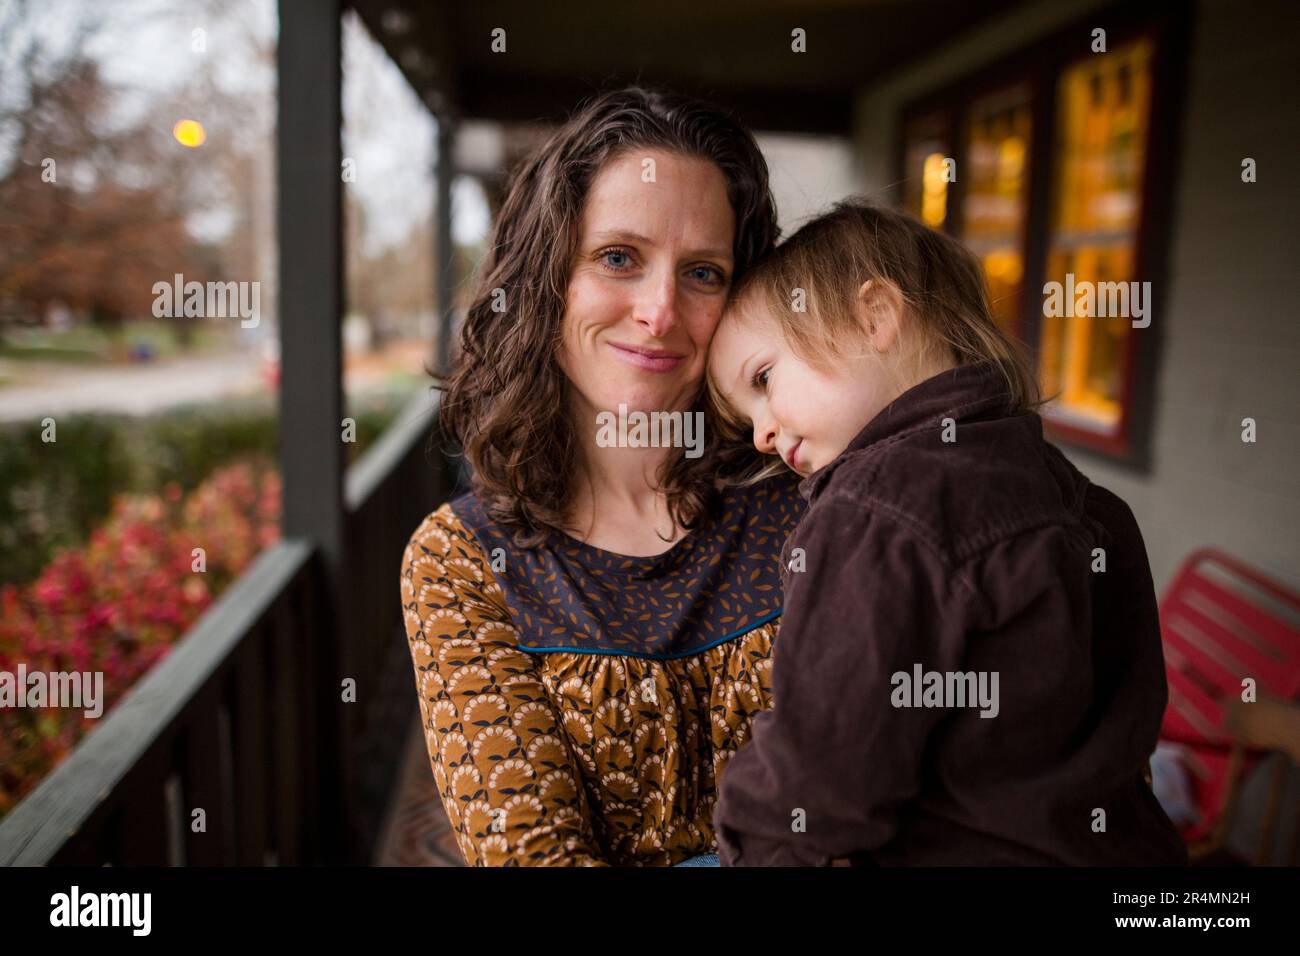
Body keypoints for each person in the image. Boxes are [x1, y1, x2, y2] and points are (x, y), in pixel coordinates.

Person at [706, 200, 1188, 866]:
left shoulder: (870, 516)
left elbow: (819, 781)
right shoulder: (1089, 504)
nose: (761, 433)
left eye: (763, 378)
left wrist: (754, 845)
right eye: (746, 416)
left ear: (875, 315)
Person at [400, 86, 804, 866]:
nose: (659, 311)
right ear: (547, 279)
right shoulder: (461, 564)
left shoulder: (810, 502)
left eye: (704, 273)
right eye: (619, 258)